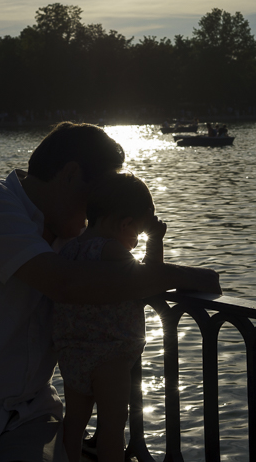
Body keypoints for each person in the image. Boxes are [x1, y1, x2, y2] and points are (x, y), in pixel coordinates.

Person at [0, 122, 220, 462]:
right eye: (95, 196)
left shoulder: (76, 243)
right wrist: (183, 276)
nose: (97, 211)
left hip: (24, 420)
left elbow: (108, 277)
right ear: (69, 174)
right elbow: (66, 284)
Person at [54, 173, 164, 462]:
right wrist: (156, 240)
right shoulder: (110, 250)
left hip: (72, 351)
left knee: (75, 422)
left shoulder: (69, 249)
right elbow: (149, 277)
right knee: (113, 427)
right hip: (109, 355)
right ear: (125, 223)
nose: (135, 242)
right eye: (137, 233)